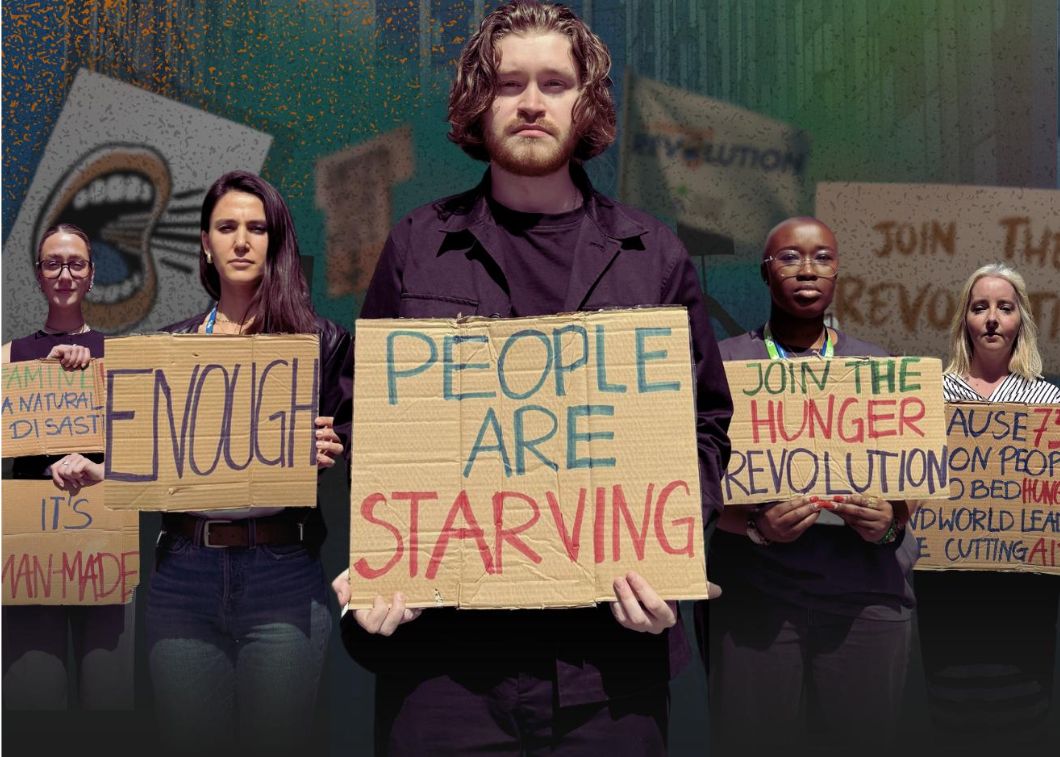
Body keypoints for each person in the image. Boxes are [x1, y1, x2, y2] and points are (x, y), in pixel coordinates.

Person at [331, 2, 732, 754]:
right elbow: (368, 420)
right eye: (509, 82)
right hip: (445, 671)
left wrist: (674, 537)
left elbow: (708, 426)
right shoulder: (417, 247)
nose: (531, 101)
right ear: (477, 103)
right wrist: (383, 560)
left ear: (588, 104)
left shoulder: (655, 255)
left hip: (609, 668)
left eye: (555, 82)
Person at [145, 171, 352, 756]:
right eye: (226, 227)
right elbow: (149, 457)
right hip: (184, 575)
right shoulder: (170, 348)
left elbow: (362, 443)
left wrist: (330, 446)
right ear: (204, 243)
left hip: (281, 576)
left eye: (256, 228)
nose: (241, 241)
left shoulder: (321, 342)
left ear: (276, 241)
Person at [700, 217, 918, 755]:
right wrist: (754, 525)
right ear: (765, 273)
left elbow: (907, 487)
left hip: (863, 601)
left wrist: (887, 522)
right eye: (790, 258)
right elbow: (694, 483)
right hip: (756, 602)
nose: (807, 270)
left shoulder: (875, 366)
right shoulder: (726, 364)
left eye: (822, 258)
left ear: (838, 272)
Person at [916, 262, 1060, 754]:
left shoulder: (1049, 403)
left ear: (1021, 320)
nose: (993, 318)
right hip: (948, 589)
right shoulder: (932, 399)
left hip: (1024, 596)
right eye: (981, 308)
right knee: (949, 716)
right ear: (965, 322)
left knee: (1022, 720)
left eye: (1005, 307)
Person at [2, 223, 134, 711]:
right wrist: (47, 375)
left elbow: (146, 455)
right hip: (30, 552)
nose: (64, 273)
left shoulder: (117, 358)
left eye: (75, 263)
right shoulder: (9, 360)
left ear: (91, 274)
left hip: (104, 546)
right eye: (52, 263)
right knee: (33, 699)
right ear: (38, 276)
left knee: (108, 699)